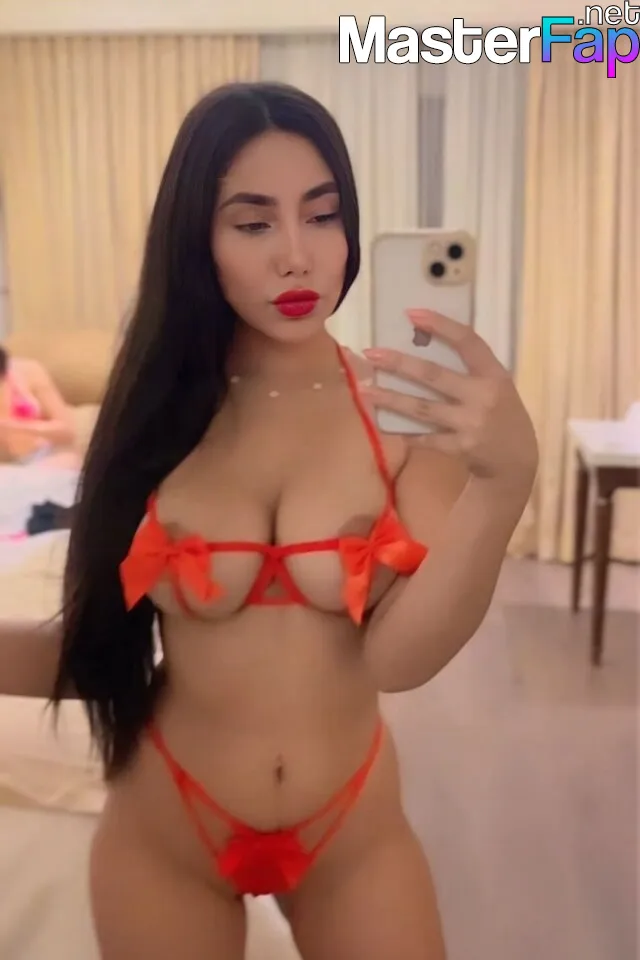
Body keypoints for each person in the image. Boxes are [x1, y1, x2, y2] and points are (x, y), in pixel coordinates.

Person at [0, 82, 538, 959]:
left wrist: (504, 483)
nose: (297, 256)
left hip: (351, 828)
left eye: (322, 216)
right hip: (168, 827)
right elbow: (96, 649)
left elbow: (401, 659)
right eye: (253, 223)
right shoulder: (154, 417)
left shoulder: (402, 414)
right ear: (196, 241)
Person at [0, 345, 79, 468]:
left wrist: (17, 426)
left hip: (47, 456)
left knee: (68, 461)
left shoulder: (29, 371)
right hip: (9, 466)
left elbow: (68, 431)